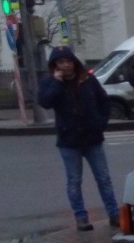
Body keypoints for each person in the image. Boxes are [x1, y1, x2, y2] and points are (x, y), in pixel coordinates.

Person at [37, 46, 120, 231]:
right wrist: (57, 83)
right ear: (55, 65)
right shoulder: (50, 82)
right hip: (69, 141)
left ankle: (114, 214)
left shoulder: (87, 79)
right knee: (74, 181)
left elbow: (103, 101)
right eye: (61, 62)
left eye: (68, 61)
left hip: (92, 137)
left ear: (74, 61)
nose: (66, 65)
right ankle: (81, 217)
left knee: (104, 178)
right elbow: (45, 102)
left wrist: (100, 122)